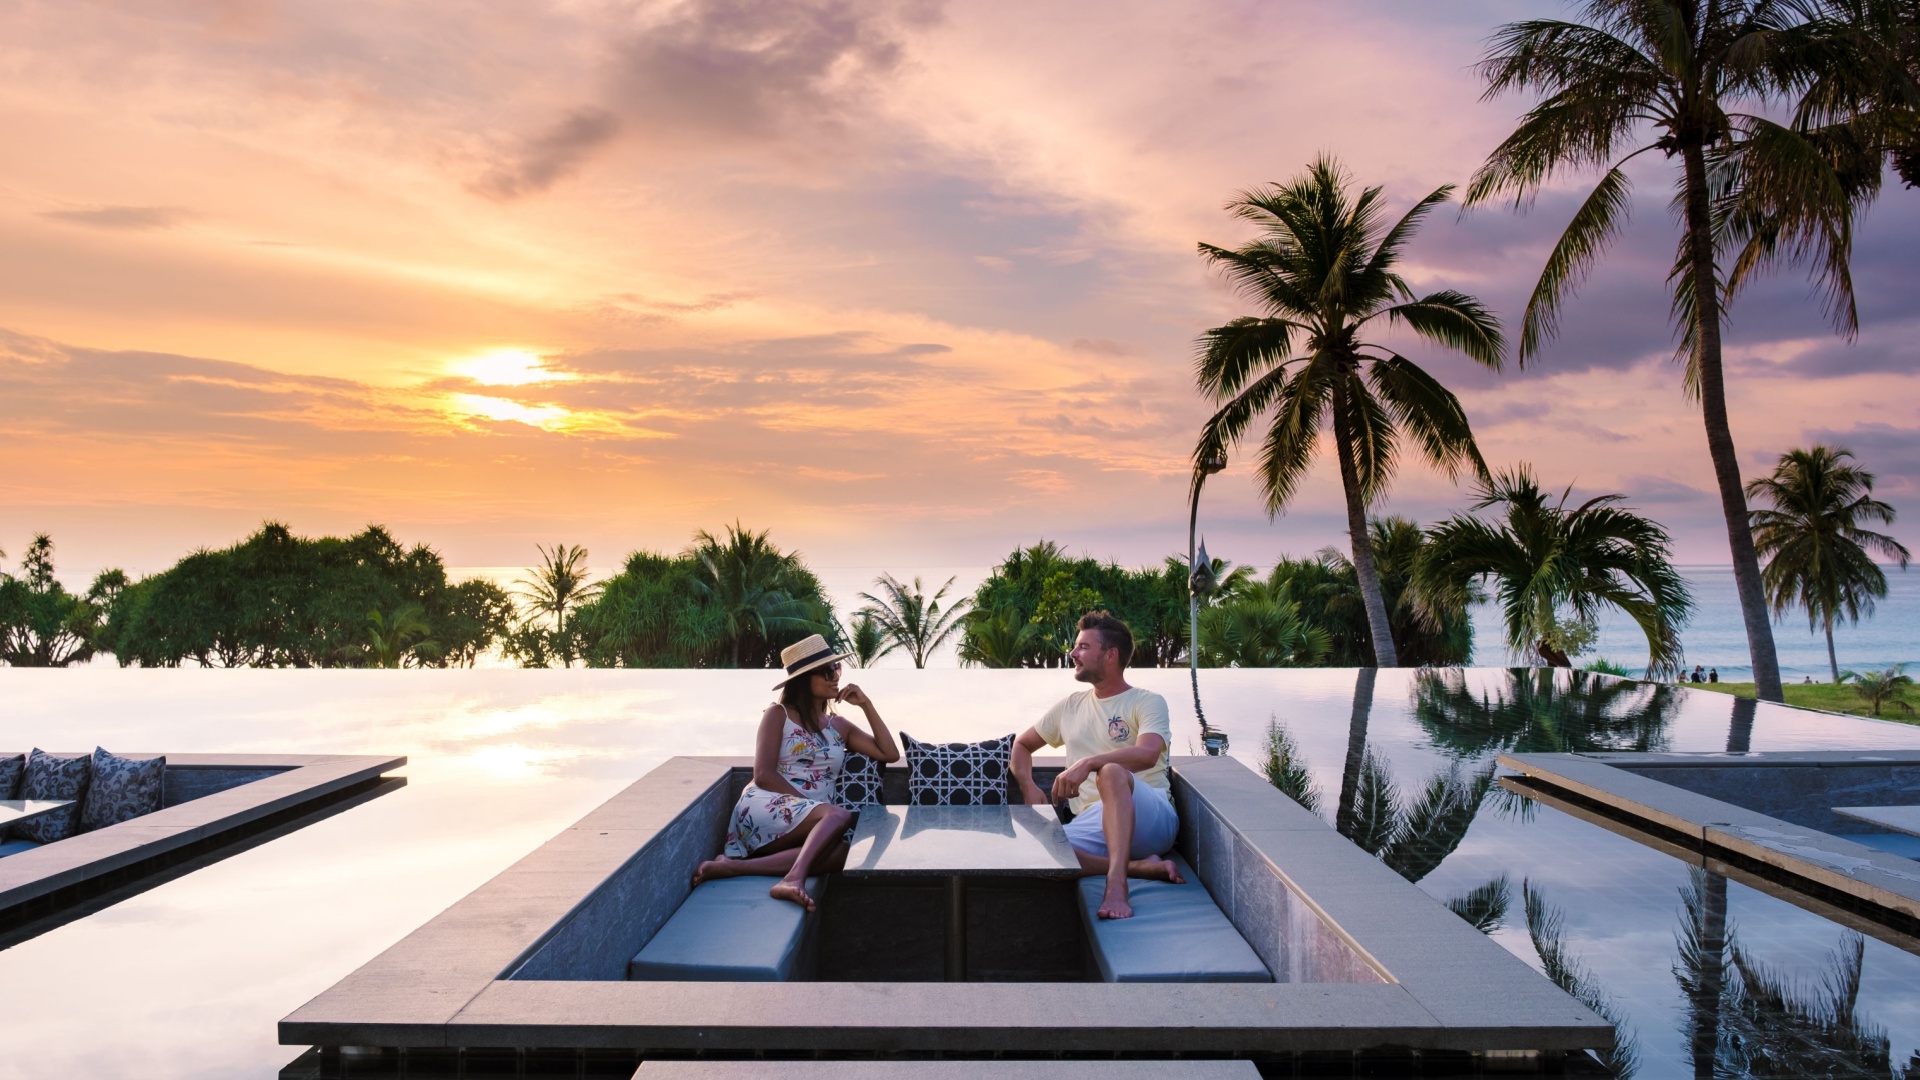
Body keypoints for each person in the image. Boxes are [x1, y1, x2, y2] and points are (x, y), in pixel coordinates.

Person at [691, 634, 899, 910]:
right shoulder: (778, 714)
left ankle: (733, 867)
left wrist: (866, 705)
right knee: (839, 815)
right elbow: (763, 773)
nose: (834, 676)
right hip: (766, 803)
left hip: (811, 818)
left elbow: (889, 754)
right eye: (826, 671)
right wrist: (810, 808)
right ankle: (793, 878)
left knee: (841, 853)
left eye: (836, 668)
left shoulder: (839, 726)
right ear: (803, 680)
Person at [1011, 611, 1182, 921]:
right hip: (1094, 820)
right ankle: (1138, 867)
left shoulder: (1146, 701)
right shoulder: (1070, 706)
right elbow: (1021, 746)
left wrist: (1088, 763)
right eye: (1076, 646)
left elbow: (1147, 754)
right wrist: (1029, 786)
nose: (1073, 653)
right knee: (1035, 851)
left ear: (1111, 655)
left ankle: (1117, 884)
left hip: (1149, 814)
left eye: (1084, 647)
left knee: (1112, 772)